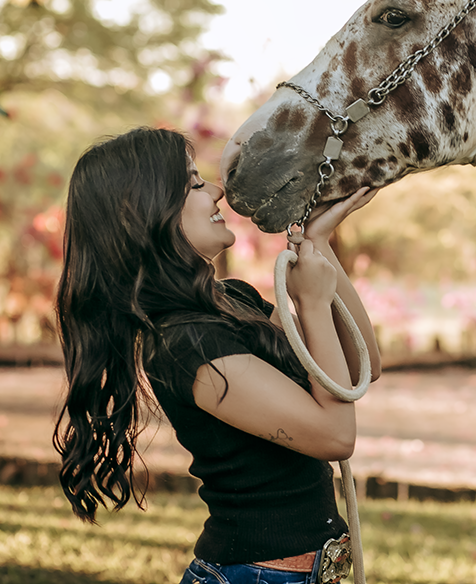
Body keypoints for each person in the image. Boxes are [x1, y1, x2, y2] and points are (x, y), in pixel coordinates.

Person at [53, 127, 380, 584]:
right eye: (194, 183)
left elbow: (360, 366)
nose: (218, 190)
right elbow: (334, 435)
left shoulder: (234, 299)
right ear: (144, 212)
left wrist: (319, 243)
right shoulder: (185, 344)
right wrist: (309, 304)